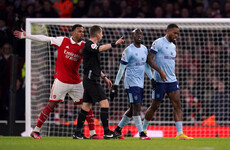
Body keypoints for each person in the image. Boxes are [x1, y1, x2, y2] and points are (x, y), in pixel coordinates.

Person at [13, 24, 103, 139]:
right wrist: (27, 36)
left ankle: (92, 134)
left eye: (83, 32)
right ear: (73, 32)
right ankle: (36, 131)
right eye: (80, 31)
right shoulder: (62, 41)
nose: (82, 34)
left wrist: (102, 75)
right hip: (61, 81)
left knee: (86, 105)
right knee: (51, 104)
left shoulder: (84, 46)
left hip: (75, 82)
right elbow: (45, 38)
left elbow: (93, 62)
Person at [142, 24, 194, 140]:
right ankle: (143, 130)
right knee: (155, 106)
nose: (176, 35)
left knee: (177, 105)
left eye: (178, 34)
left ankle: (180, 133)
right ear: (167, 31)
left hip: (172, 80)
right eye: (174, 33)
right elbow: (149, 60)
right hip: (160, 81)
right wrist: (160, 71)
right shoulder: (158, 43)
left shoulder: (173, 46)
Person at [73, 25, 124, 139]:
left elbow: (95, 66)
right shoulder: (89, 44)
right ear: (97, 34)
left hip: (91, 79)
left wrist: (105, 77)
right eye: (101, 33)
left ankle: (77, 133)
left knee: (86, 106)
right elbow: (100, 48)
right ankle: (106, 132)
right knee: (104, 103)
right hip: (91, 81)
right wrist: (114, 44)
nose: (102, 35)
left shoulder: (92, 47)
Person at [110, 28, 154, 140]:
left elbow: (146, 66)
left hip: (140, 83)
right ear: (132, 37)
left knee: (132, 108)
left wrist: (152, 78)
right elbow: (121, 69)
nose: (139, 35)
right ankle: (142, 134)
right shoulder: (128, 50)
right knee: (137, 106)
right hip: (130, 82)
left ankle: (117, 130)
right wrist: (115, 85)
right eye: (137, 33)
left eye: (141, 33)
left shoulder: (144, 49)